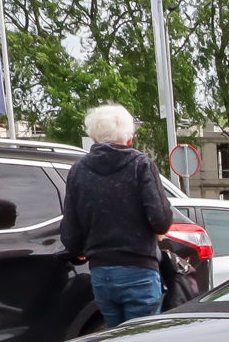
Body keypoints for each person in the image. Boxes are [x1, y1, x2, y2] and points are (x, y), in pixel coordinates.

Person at [63, 103, 173, 327]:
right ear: (129, 138)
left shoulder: (77, 171)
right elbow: (160, 221)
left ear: (93, 137)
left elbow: (71, 235)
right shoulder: (141, 165)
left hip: (100, 273)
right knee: (144, 341)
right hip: (139, 269)